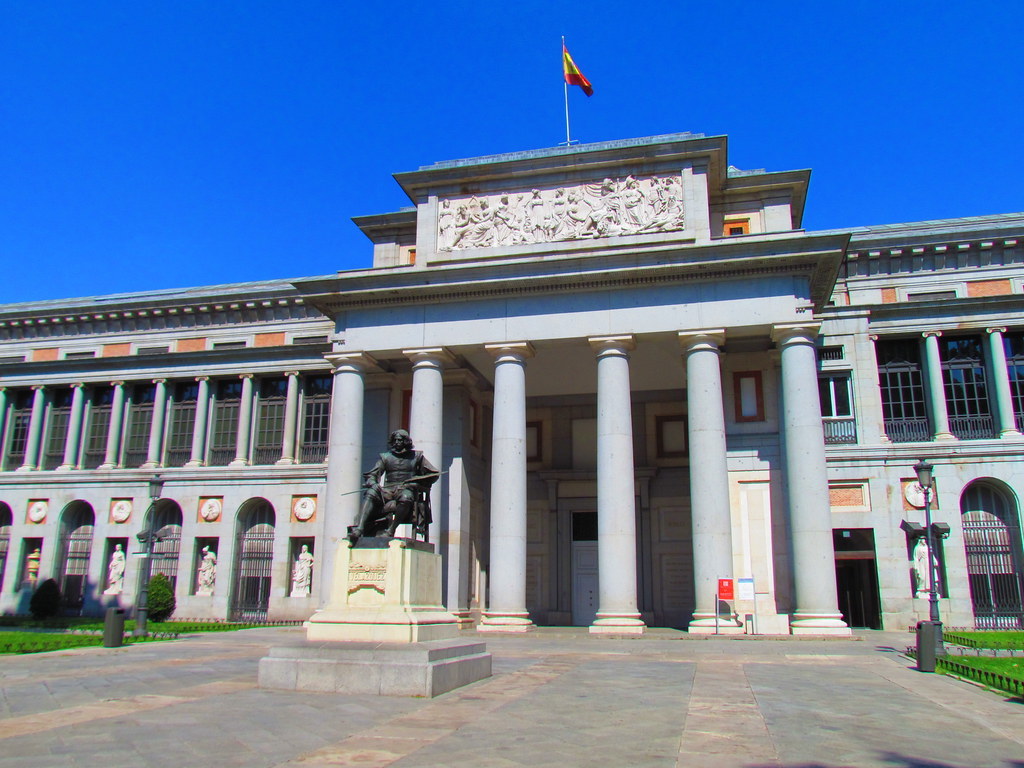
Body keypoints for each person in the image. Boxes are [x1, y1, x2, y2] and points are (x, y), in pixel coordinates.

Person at [347, 429, 438, 544]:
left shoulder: (417, 456)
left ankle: (391, 530)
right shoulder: (386, 457)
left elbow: (434, 474)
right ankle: (359, 528)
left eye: (400, 440)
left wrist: (418, 483)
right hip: (387, 491)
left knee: (406, 497)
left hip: (405, 489)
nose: (397, 442)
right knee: (371, 492)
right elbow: (372, 474)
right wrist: (373, 483)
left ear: (406, 441)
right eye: (395, 440)